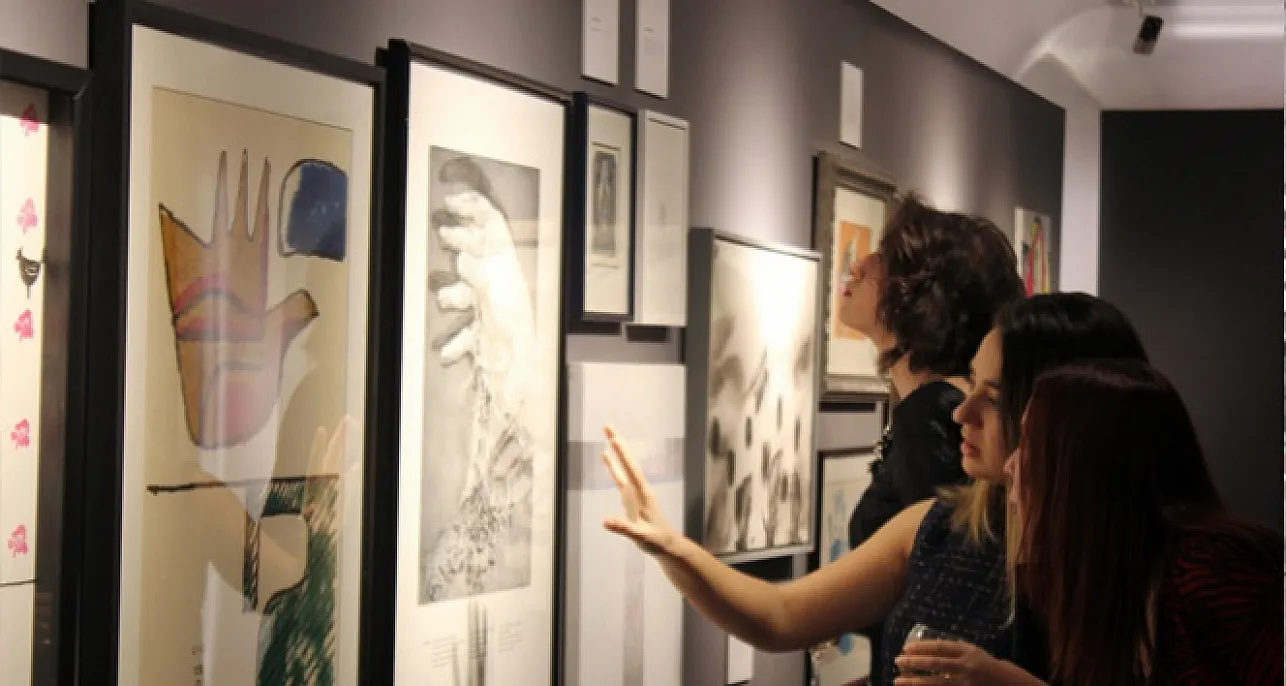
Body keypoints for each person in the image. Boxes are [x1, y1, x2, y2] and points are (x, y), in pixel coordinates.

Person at [601, 293, 1150, 685]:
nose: (962, 413)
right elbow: (780, 615)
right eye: (970, 385)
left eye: (994, 397)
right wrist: (672, 548)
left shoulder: (1148, 571)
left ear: (1063, 412)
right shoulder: (936, 528)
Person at [896, 360, 1283, 686]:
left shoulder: (1211, 572)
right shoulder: (1095, 581)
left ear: (1084, 470)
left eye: (1031, 445)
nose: (1011, 466)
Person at [838, 195, 1022, 678]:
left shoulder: (934, 415)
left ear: (921, 296)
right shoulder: (935, 409)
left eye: (886, 259)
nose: (860, 266)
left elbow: (946, 591)